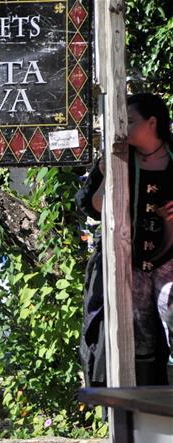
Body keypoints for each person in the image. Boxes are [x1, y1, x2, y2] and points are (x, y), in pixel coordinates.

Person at [76, 92, 172, 385]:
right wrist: (107, 175)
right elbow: (91, 207)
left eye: (129, 121)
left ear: (152, 123)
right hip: (129, 262)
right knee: (137, 333)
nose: (122, 127)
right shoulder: (118, 158)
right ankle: (144, 411)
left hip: (170, 259)